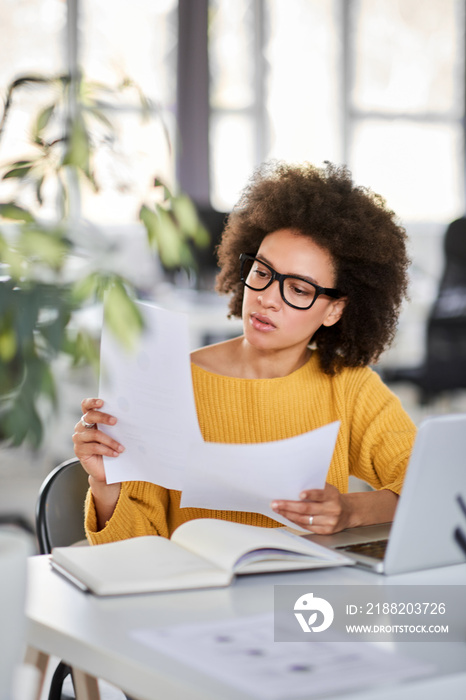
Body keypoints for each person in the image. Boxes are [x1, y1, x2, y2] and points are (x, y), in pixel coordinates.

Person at [73, 161, 416, 545]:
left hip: (304, 597)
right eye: (262, 272)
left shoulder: (349, 388)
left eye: (299, 290)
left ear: (335, 309)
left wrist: (351, 510)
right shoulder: (171, 384)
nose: (268, 299)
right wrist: (106, 487)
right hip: (198, 596)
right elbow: (131, 554)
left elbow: (430, 485)